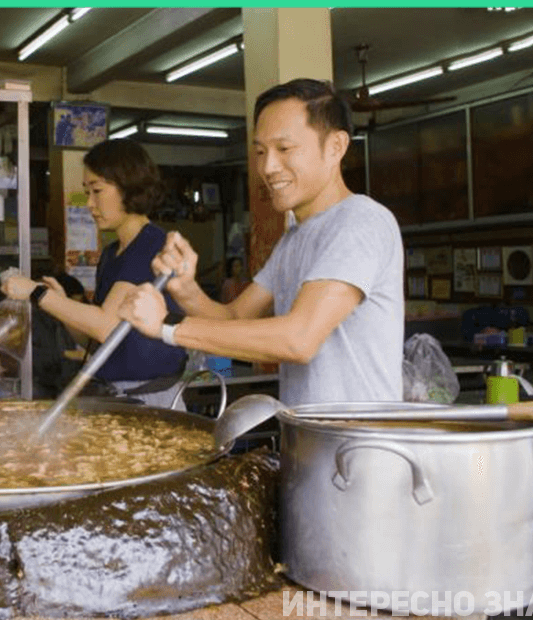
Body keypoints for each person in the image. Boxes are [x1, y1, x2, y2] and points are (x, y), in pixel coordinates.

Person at [119, 78, 404, 407]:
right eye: (259, 152)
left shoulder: (359, 221)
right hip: (308, 443)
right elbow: (233, 317)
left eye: (284, 149)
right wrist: (186, 290)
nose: (268, 167)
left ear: (336, 147)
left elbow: (299, 339)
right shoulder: (295, 237)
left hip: (360, 450)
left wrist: (169, 326)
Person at [2, 139, 187, 409]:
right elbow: (93, 337)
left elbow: (105, 326)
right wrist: (61, 302)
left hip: (151, 399)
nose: (89, 203)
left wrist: (36, 292)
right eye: (86, 192)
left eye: (97, 191)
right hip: (118, 394)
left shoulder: (150, 246)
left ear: (128, 188)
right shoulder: (112, 254)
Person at [30, 272, 88, 399]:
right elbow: (36, 360)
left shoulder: (67, 321)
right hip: (42, 390)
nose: (73, 310)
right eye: (71, 303)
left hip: (67, 389)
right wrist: (67, 355)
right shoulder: (37, 319)